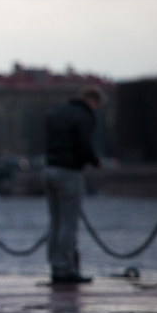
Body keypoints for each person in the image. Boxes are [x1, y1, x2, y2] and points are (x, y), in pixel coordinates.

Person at [44, 86, 104, 284]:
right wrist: (95, 162)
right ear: (93, 100)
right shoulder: (83, 116)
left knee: (55, 222)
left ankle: (54, 265)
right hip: (69, 172)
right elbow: (84, 145)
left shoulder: (57, 112)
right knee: (69, 223)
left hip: (50, 169)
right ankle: (66, 269)